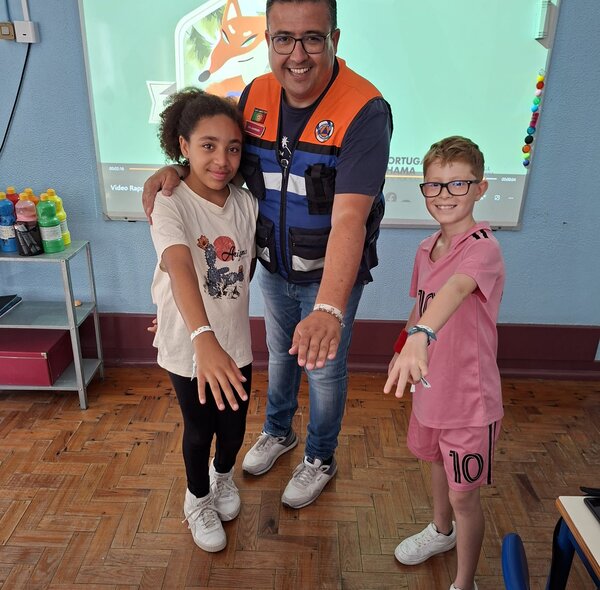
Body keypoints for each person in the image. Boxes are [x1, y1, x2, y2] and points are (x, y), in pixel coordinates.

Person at [143, 0, 392, 509]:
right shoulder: (256, 92)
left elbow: (350, 218)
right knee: (280, 355)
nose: (297, 55)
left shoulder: (365, 109)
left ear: (334, 39)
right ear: (268, 39)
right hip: (274, 268)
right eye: (284, 38)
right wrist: (173, 171)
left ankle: (320, 456)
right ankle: (279, 431)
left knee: (323, 370)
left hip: (329, 277)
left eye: (312, 38)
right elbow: (221, 159)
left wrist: (328, 308)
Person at [384, 136, 505, 590]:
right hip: (430, 389)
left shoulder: (483, 248)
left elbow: (455, 289)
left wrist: (422, 336)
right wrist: (403, 346)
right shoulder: (425, 247)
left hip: (469, 403)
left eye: (458, 184)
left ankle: (464, 582)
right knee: (437, 463)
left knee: (464, 497)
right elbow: (420, 306)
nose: (444, 195)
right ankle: (440, 531)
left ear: (480, 188)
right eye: (434, 185)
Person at [150, 88, 258, 553]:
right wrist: (199, 334)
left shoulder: (246, 203)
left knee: (233, 426)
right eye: (208, 145)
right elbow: (178, 266)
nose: (221, 159)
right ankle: (197, 499)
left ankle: (222, 477)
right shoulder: (170, 202)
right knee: (199, 430)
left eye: (233, 148)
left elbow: (244, 269)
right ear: (183, 145)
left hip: (234, 341)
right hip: (190, 343)